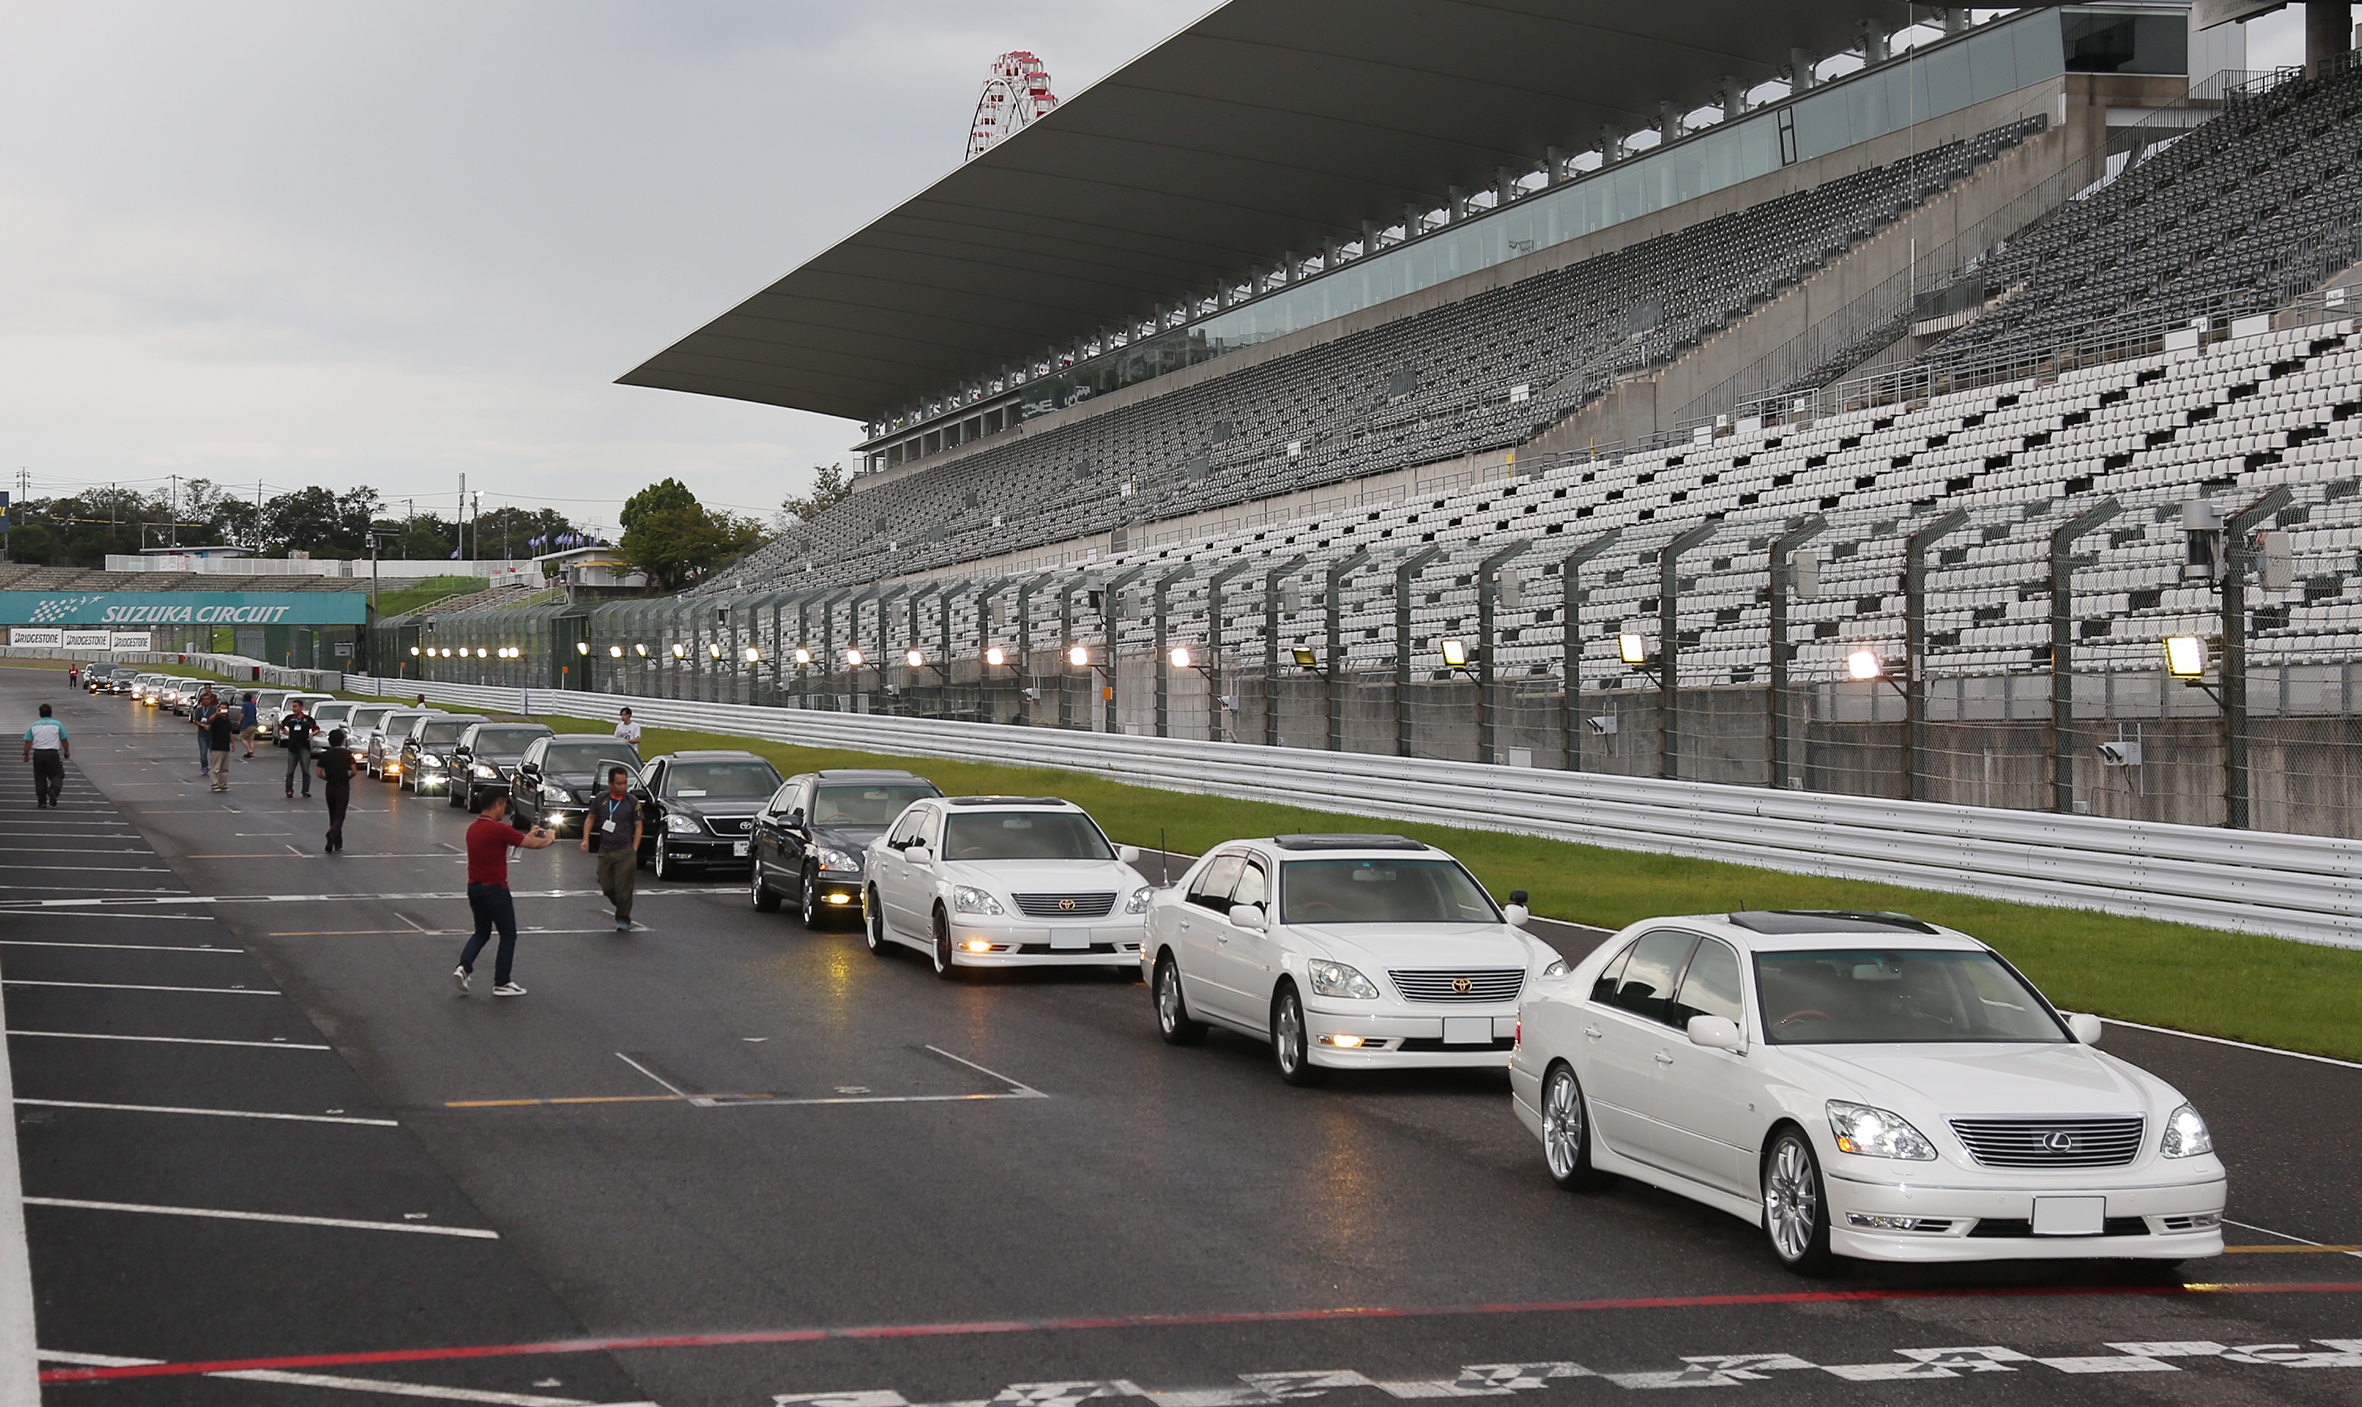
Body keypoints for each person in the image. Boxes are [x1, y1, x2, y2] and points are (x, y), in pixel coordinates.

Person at [452, 791, 556, 997]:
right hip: (495, 889)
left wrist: (530, 833)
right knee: (508, 935)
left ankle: (464, 967)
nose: (505, 811)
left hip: (474, 887)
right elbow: (533, 844)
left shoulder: (473, 828)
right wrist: (550, 838)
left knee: (481, 932)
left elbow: (519, 840)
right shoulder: (498, 829)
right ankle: (502, 982)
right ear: (497, 805)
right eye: (504, 806)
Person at [580, 765, 642, 932]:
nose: (623, 786)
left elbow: (638, 826)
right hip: (605, 850)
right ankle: (621, 905)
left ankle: (623, 918)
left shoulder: (632, 802)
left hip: (625, 851)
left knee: (623, 888)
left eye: (625, 783)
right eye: (619, 783)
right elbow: (590, 818)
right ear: (610, 783)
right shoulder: (601, 799)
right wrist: (586, 839)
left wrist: (634, 848)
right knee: (606, 884)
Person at [314, 727, 357, 851]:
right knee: (340, 815)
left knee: (332, 814)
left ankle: (337, 841)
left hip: (330, 786)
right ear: (342, 741)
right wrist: (348, 777)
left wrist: (327, 778)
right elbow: (354, 771)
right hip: (342, 786)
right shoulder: (347, 754)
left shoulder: (325, 755)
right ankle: (332, 833)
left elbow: (319, 773)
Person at [22, 704, 67, 808]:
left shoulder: (34, 725)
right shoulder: (57, 724)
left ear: (40, 714)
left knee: (40, 777)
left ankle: (42, 801)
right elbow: (64, 739)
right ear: (51, 713)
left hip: (38, 753)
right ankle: (54, 790)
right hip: (52, 753)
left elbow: (28, 741)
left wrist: (25, 754)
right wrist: (67, 751)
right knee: (57, 775)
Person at [280, 698, 320, 799]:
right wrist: (287, 733)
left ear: (301, 708)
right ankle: (289, 789)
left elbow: (317, 729)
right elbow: (281, 726)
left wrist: (312, 734)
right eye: (293, 707)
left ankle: (305, 790)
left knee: (305, 770)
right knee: (290, 771)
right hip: (292, 747)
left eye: (296, 707)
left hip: (304, 747)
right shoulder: (290, 718)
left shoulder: (308, 719)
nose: (294, 709)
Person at [205, 700, 236, 792]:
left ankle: (222, 784)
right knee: (216, 767)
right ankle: (214, 784)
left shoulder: (227, 721)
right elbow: (210, 720)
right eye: (221, 709)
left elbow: (230, 732)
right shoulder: (215, 719)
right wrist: (216, 713)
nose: (223, 711)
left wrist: (233, 743)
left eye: (225, 709)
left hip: (225, 746)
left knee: (224, 768)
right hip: (216, 747)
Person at [192, 687, 219, 778]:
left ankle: (215, 767)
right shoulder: (199, 710)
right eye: (204, 699)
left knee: (214, 753)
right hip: (202, 735)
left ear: (210, 700)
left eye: (207, 699)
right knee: (203, 753)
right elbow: (195, 721)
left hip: (212, 734)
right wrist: (203, 725)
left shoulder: (214, 710)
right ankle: (204, 767)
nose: (206, 701)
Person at [239, 692, 259, 759]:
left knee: (241, 737)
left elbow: (243, 713)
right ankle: (252, 752)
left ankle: (249, 750)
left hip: (247, 723)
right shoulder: (253, 705)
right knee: (251, 739)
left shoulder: (245, 705)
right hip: (253, 723)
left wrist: (240, 721)